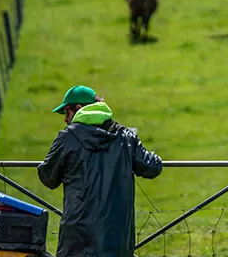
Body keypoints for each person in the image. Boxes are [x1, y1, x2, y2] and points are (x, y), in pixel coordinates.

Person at [38, 85, 163, 257]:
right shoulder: (125, 136)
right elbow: (152, 167)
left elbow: (47, 177)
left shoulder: (67, 137)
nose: (66, 119)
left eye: (67, 112)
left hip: (77, 239)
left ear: (79, 109)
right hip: (118, 240)